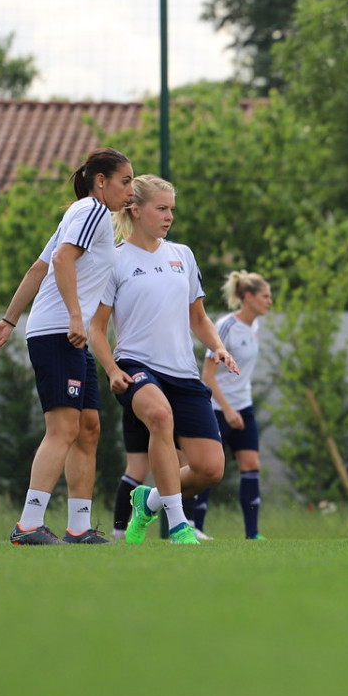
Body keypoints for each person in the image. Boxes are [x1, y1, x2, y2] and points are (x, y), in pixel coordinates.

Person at [0, 148, 133, 545]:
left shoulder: (81, 212)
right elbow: (61, 260)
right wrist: (75, 316)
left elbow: (40, 266)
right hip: (61, 331)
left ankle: (79, 527)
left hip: (64, 333)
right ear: (100, 181)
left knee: (88, 429)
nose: (130, 190)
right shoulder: (93, 211)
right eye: (125, 181)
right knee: (64, 428)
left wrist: (9, 319)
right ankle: (28, 524)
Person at [89, 174, 238, 545]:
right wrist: (110, 369)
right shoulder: (115, 260)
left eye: (172, 209)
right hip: (135, 365)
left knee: (209, 468)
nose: (169, 216)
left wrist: (217, 345)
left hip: (183, 373)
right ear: (136, 210)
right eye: (162, 208)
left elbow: (199, 318)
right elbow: (97, 328)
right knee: (159, 416)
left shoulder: (182, 255)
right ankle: (178, 526)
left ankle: (148, 501)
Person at [197, 270, 272, 540]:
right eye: (265, 296)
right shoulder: (226, 325)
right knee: (208, 470)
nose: (269, 301)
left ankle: (253, 534)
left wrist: (239, 408)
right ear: (248, 297)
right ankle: (196, 528)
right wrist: (228, 410)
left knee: (251, 465)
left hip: (244, 407)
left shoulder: (255, 327)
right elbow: (208, 376)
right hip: (219, 409)